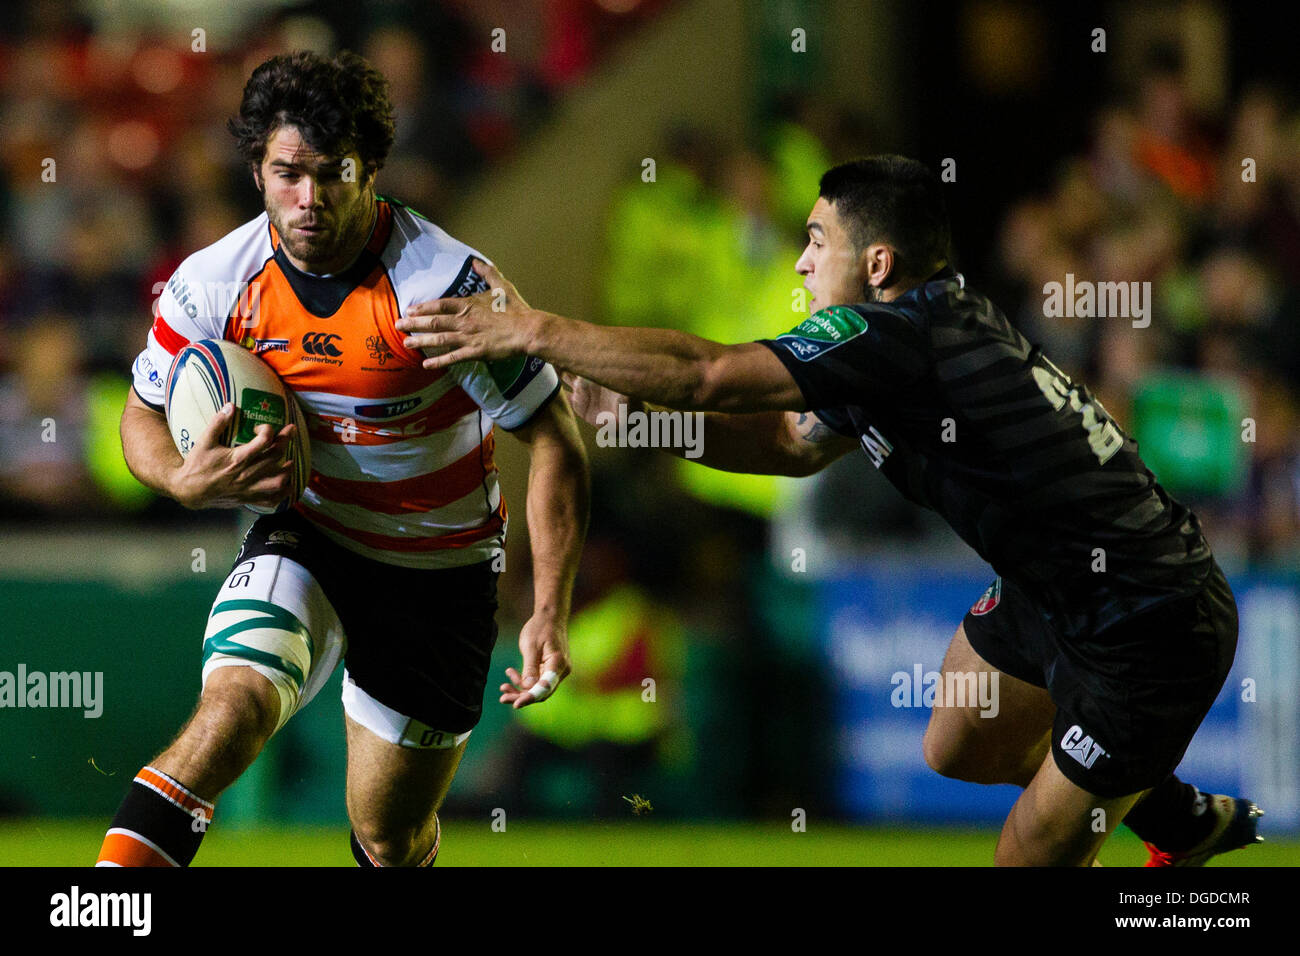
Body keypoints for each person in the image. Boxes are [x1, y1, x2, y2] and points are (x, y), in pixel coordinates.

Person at [397, 155, 1262, 866]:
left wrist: (531, 329)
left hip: (1146, 619)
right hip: (1049, 592)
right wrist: (640, 423)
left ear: (877, 264)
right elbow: (786, 445)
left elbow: (713, 373)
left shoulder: (900, 333)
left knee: (1025, 862)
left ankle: (1169, 858)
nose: (803, 262)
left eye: (816, 241)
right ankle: (1171, 811)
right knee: (957, 745)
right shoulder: (895, 349)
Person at [97, 50, 589, 868]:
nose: (309, 198)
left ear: (372, 172)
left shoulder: (445, 290)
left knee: (387, 831)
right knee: (229, 712)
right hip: (308, 534)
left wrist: (549, 607)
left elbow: (555, 438)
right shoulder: (214, 283)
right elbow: (141, 412)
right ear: (257, 168)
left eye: (334, 174)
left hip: (440, 567)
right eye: (289, 172)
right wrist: (181, 478)